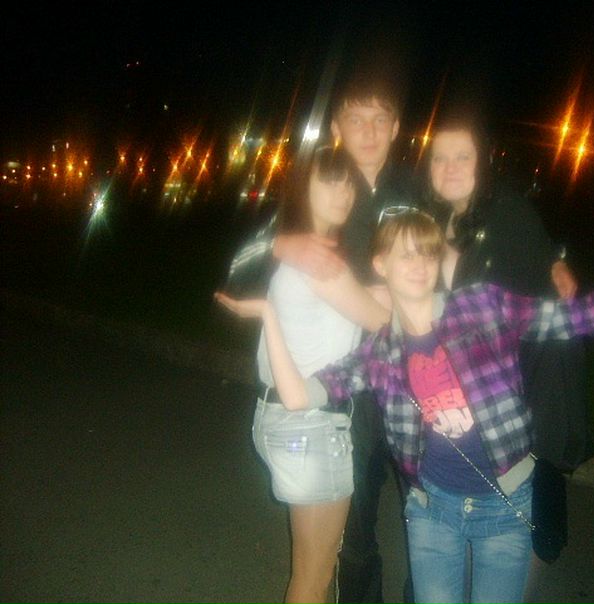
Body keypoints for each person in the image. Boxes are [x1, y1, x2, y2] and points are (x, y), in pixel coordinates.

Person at [219, 212, 594, 604]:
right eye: (405, 255)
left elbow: (581, 317)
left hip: (505, 506)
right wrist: (269, 317)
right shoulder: (380, 352)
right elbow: (298, 395)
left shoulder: (481, 307)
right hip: (431, 513)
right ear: (381, 266)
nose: (419, 264)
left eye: (427, 253)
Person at [223, 72, 417, 604]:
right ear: (336, 127)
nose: (369, 132)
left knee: (428, 520)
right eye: (355, 119)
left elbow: (455, 249)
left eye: (380, 119)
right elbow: (235, 268)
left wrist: (550, 258)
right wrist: (283, 244)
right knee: (345, 543)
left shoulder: (414, 193)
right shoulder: (313, 209)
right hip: (338, 399)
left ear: (396, 127)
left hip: (408, 390)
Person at [424, 113, 586, 562]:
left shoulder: (507, 212)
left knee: (522, 534)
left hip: (521, 396)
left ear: (483, 162)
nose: (450, 168)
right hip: (457, 400)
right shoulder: (429, 222)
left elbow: (539, 298)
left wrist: (554, 259)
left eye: (463, 157)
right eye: (439, 158)